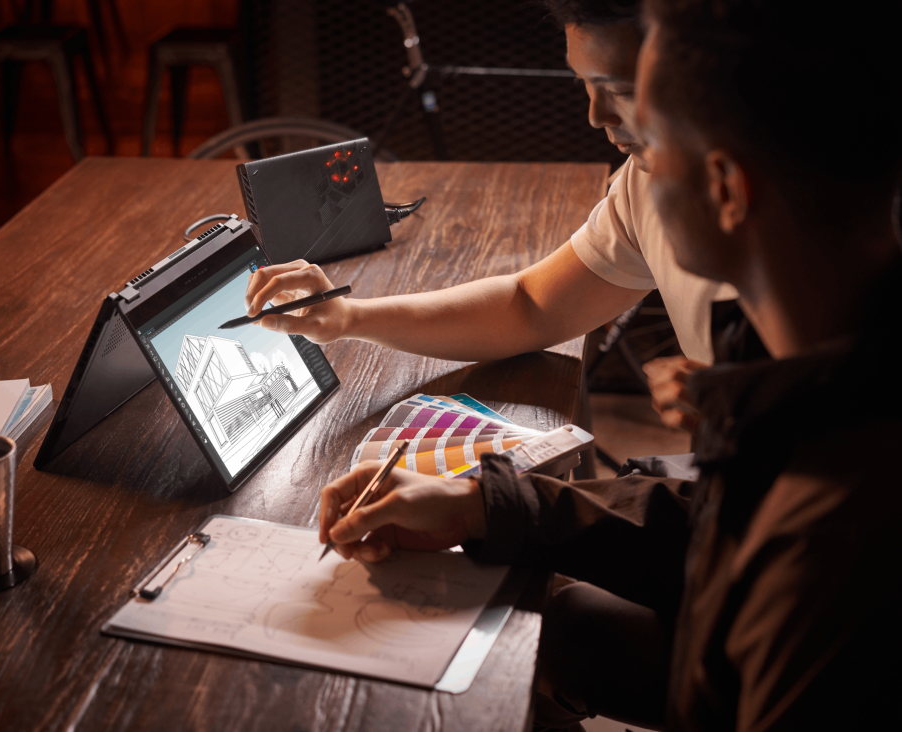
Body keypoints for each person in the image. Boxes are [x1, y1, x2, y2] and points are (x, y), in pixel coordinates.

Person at [317, 0, 902, 729]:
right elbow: (717, 530)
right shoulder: (801, 382)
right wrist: (494, 505)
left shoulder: (830, 543)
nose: (618, 144)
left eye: (649, 127)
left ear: (726, 188)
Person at [243, 0, 737, 436]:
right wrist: (349, 317)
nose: (596, 115)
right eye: (585, 84)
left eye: (619, 88)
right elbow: (530, 306)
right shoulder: (645, 183)